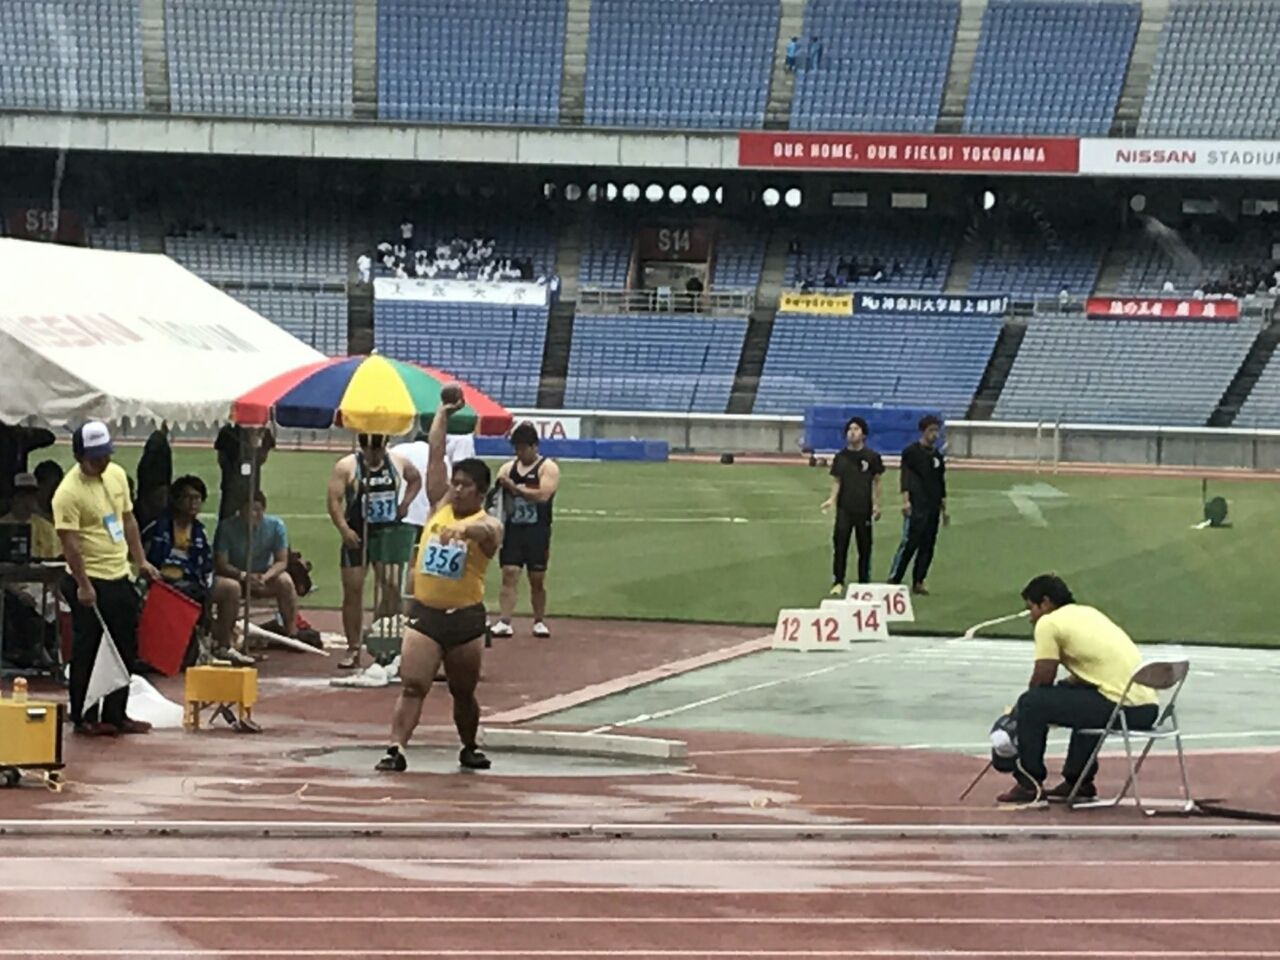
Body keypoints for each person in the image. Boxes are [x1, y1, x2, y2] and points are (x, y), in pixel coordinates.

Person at [375, 396, 503, 773]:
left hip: (464, 620)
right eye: (456, 483)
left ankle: (469, 745)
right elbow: (435, 454)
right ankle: (395, 748)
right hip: (425, 616)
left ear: (481, 492)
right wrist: (443, 415)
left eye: (466, 486)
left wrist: (468, 530)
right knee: (413, 685)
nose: (457, 490)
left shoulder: (487, 523)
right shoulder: (438, 507)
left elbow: (489, 531)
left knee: (463, 691)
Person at [997, 575, 1159, 805]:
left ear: (1046, 603)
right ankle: (1078, 781)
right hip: (1146, 708)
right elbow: (1096, 670)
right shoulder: (1089, 613)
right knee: (1079, 701)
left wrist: (1019, 712)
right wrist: (1062, 690)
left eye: (1031, 608)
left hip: (1120, 707)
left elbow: (1043, 677)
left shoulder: (1049, 623)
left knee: (1032, 703)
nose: (1030, 617)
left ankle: (1029, 782)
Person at [53, 421, 160, 736]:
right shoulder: (68, 493)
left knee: (124, 646)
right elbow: (70, 544)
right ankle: (83, 714)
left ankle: (116, 712)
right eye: (94, 458)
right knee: (88, 648)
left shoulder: (116, 476)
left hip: (118, 573)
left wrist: (140, 560)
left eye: (105, 455)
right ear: (79, 456)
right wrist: (84, 585)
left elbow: (127, 519)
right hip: (89, 578)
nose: (102, 462)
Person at [328, 434, 421, 669]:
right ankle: (353, 647)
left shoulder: (397, 461)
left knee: (391, 587)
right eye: (371, 451)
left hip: (387, 533)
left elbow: (415, 479)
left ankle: (382, 636)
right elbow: (334, 500)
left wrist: (405, 504)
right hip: (357, 535)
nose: (375, 455)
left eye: (379, 450)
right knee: (353, 590)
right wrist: (344, 529)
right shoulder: (347, 466)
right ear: (363, 447)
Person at [490, 423, 561, 639]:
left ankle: (539, 621)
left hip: (537, 530)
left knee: (536, 578)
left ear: (534, 446)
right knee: (509, 573)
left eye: (523, 448)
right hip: (513, 529)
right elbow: (496, 497)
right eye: (516, 449)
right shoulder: (507, 468)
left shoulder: (547, 468)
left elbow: (543, 495)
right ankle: (505, 620)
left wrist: (516, 489)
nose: (519, 453)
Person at [213, 489, 299, 658]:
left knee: (285, 581)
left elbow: (282, 561)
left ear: (264, 510)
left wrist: (265, 577)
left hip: (263, 576)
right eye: (249, 510)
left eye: (257, 510)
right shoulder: (226, 528)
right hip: (236, 576)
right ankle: (227, 637)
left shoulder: (276, 526)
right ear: (240, 511)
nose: (253, 514)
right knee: (231, 587)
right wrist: (244, 575)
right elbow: (222, 563)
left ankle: (292, 632)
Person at [821, 417, 883, 594]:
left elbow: (877, 481)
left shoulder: (872, 457)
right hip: (844, 508)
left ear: (863, 433)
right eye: (850, 429)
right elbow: (837, 481)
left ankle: (864, 582)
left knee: (865, 547)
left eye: (856, 429)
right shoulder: (840, 457)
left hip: (864, 508)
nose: (852, 432)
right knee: (840, 545)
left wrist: (876, 504)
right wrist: (831, 499)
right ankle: (838, 581)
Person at [888, 415, 948, 594]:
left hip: (933, 506)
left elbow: (940, 483)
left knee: (928, 545)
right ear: (923, 431)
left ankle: (919, 580)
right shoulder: (911, 452)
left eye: (937, 431)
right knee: (910, 542)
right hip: (916, 504)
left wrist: (944, 508)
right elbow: (905, 477)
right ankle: (895, 577)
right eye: (931, 430)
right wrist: (905, 501)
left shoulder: (937, 456)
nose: (934, 434)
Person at [215, 424, 274, 520]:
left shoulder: (262, 432)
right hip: (233, 485)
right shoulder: (228, 431)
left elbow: (261, 457)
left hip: (248, 485)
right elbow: (222, 460)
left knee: (250, 519)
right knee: (228, 518)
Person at [1, 473, 59, 560]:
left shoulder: (47, 528)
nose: (26, 500)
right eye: (21, 496)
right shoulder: (2, 525)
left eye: (31, 495)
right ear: (12, 498)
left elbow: (54, 559)